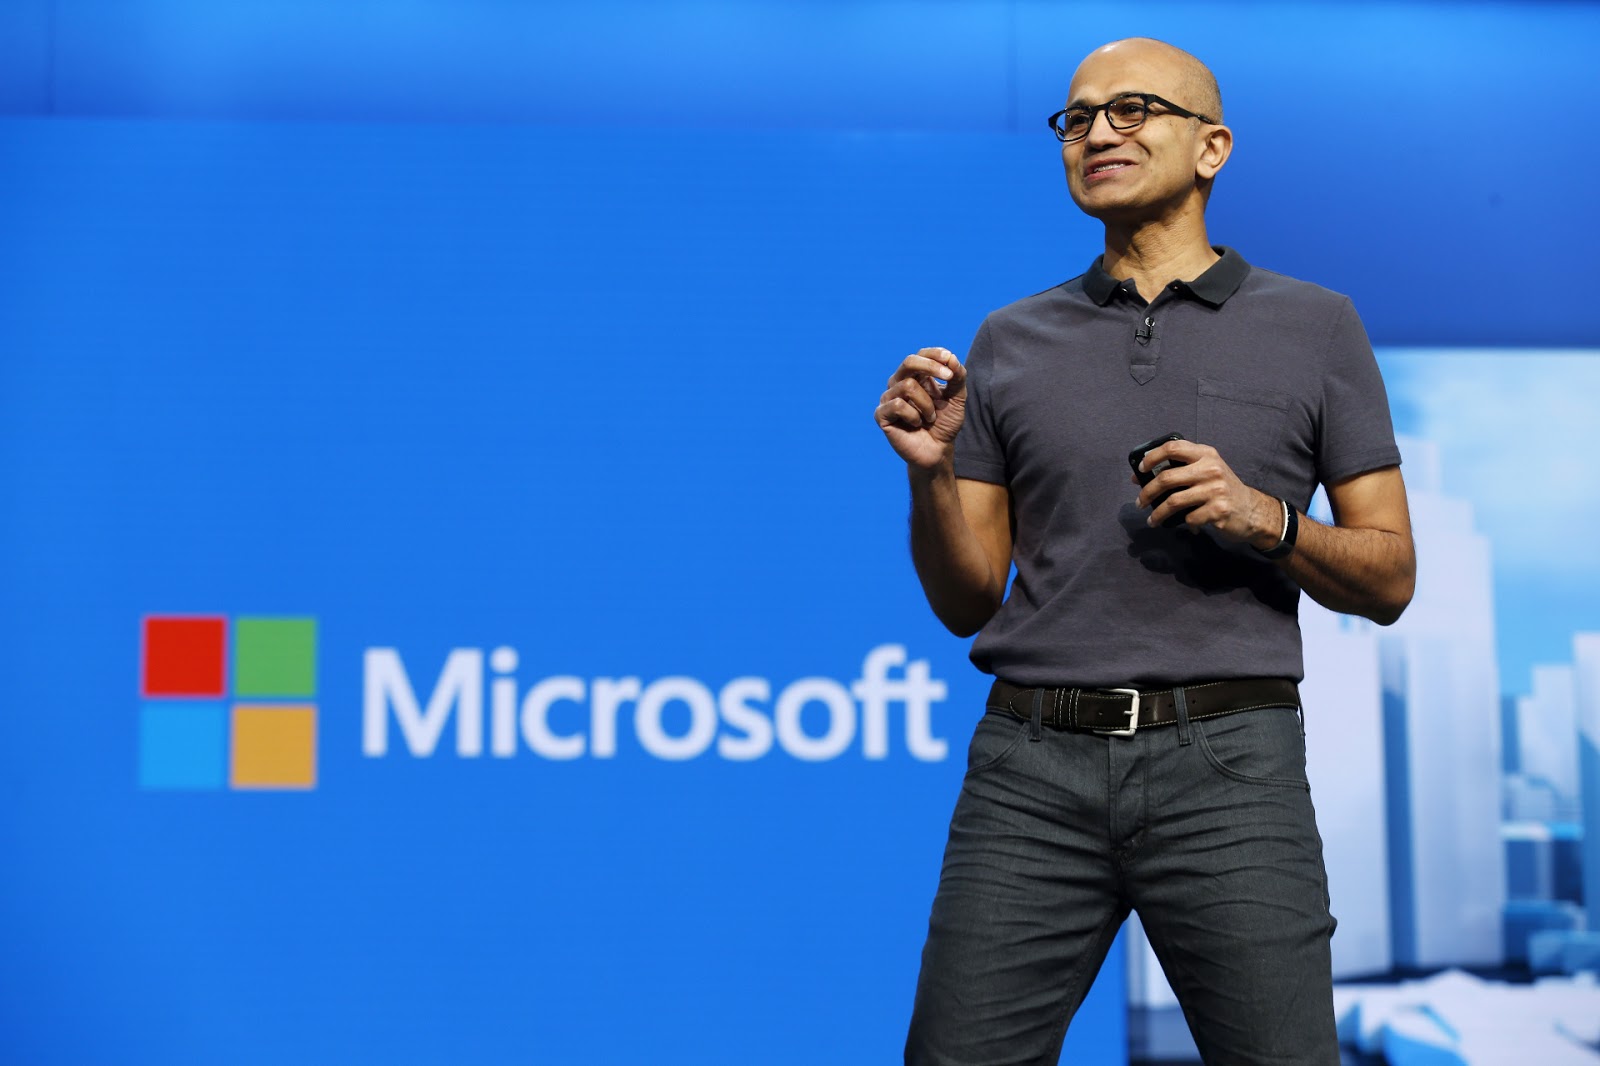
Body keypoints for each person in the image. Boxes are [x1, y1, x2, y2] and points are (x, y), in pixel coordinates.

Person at [875, 37, 1416, 1066]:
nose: (1099, 132)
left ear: (1211, 147)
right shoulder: (1008, 339)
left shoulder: (1315, 326)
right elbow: (964, 598)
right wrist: (929, 471)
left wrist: (1268, 522)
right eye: (1077, 118)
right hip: (1029, 767)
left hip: (1229, 764)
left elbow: (1390, 575)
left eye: (1133, 108)